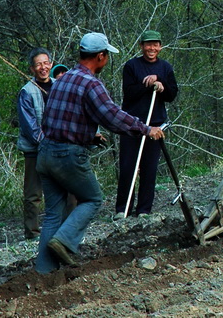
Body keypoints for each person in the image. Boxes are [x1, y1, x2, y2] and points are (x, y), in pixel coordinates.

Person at [35, 32, 165, 273]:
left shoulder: (63, 78)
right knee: (93, 198)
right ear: (100, 56)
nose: (107, 61)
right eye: (107, 56)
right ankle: (64, 241)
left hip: (45, 152)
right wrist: (146, 129)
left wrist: (89, 134)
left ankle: (44, 273)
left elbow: (55, 116)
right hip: (68, 155)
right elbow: (112, 116)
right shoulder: (91, 83)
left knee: (53, 214)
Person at [116, 30, 179, 218]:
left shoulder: (165, 68)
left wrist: (161, 85)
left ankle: (144, 209)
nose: (151, 48)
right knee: (128, 167)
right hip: (132, 124)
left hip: (156, 124)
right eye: (148, 44)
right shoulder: (131, 66)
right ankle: (122, 209)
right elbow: (129, 93)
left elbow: (172, 95)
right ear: (141, 46)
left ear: (160, 47)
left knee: (149, 168)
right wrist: (148, 84)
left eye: (155, 44)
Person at [16, 48, 62, 240]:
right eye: (38, 64)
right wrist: (46, 143)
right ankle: (32, 233)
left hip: (59, 148)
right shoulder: (26, 91)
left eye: (46, 63)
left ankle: (64, 230)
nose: (43, 68)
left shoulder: (61, 86)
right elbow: (30, 127)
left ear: (51, 64)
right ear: (32, 68)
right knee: (33, 194)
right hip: (35, 150)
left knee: (65, 189)